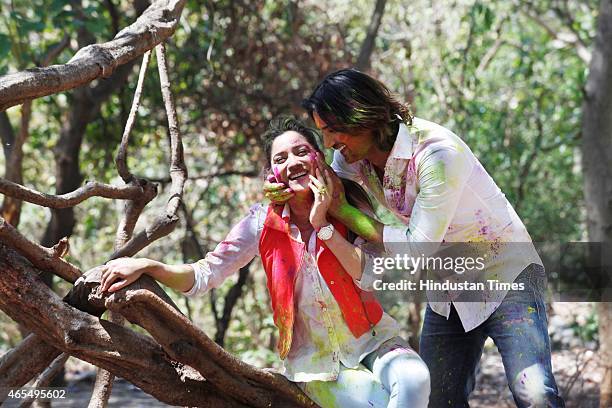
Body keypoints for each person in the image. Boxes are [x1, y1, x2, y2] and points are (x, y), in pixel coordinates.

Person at [265, 69, 564, 407]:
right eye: (324, 134)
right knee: (437, 399)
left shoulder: (437, 155)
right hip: (449, 285)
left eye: (334, 131)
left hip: (506, 274)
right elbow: (321, 185)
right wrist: (282, 186)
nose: (330, 143)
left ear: (363, 115)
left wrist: (348, 214)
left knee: (535, 393)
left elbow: (415, 248)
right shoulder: (351, 157)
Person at [100, 116, 431, 408]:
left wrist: (324, 225)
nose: (293, 162)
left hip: (376, 341)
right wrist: (148, 265)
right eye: (281, 158)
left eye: (302, 151)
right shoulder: (261, 224)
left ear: (320, 159)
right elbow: (205, 275)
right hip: (315, 367)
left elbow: (372, 277)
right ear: (272, 174)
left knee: (414, 380)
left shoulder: (350, 205)